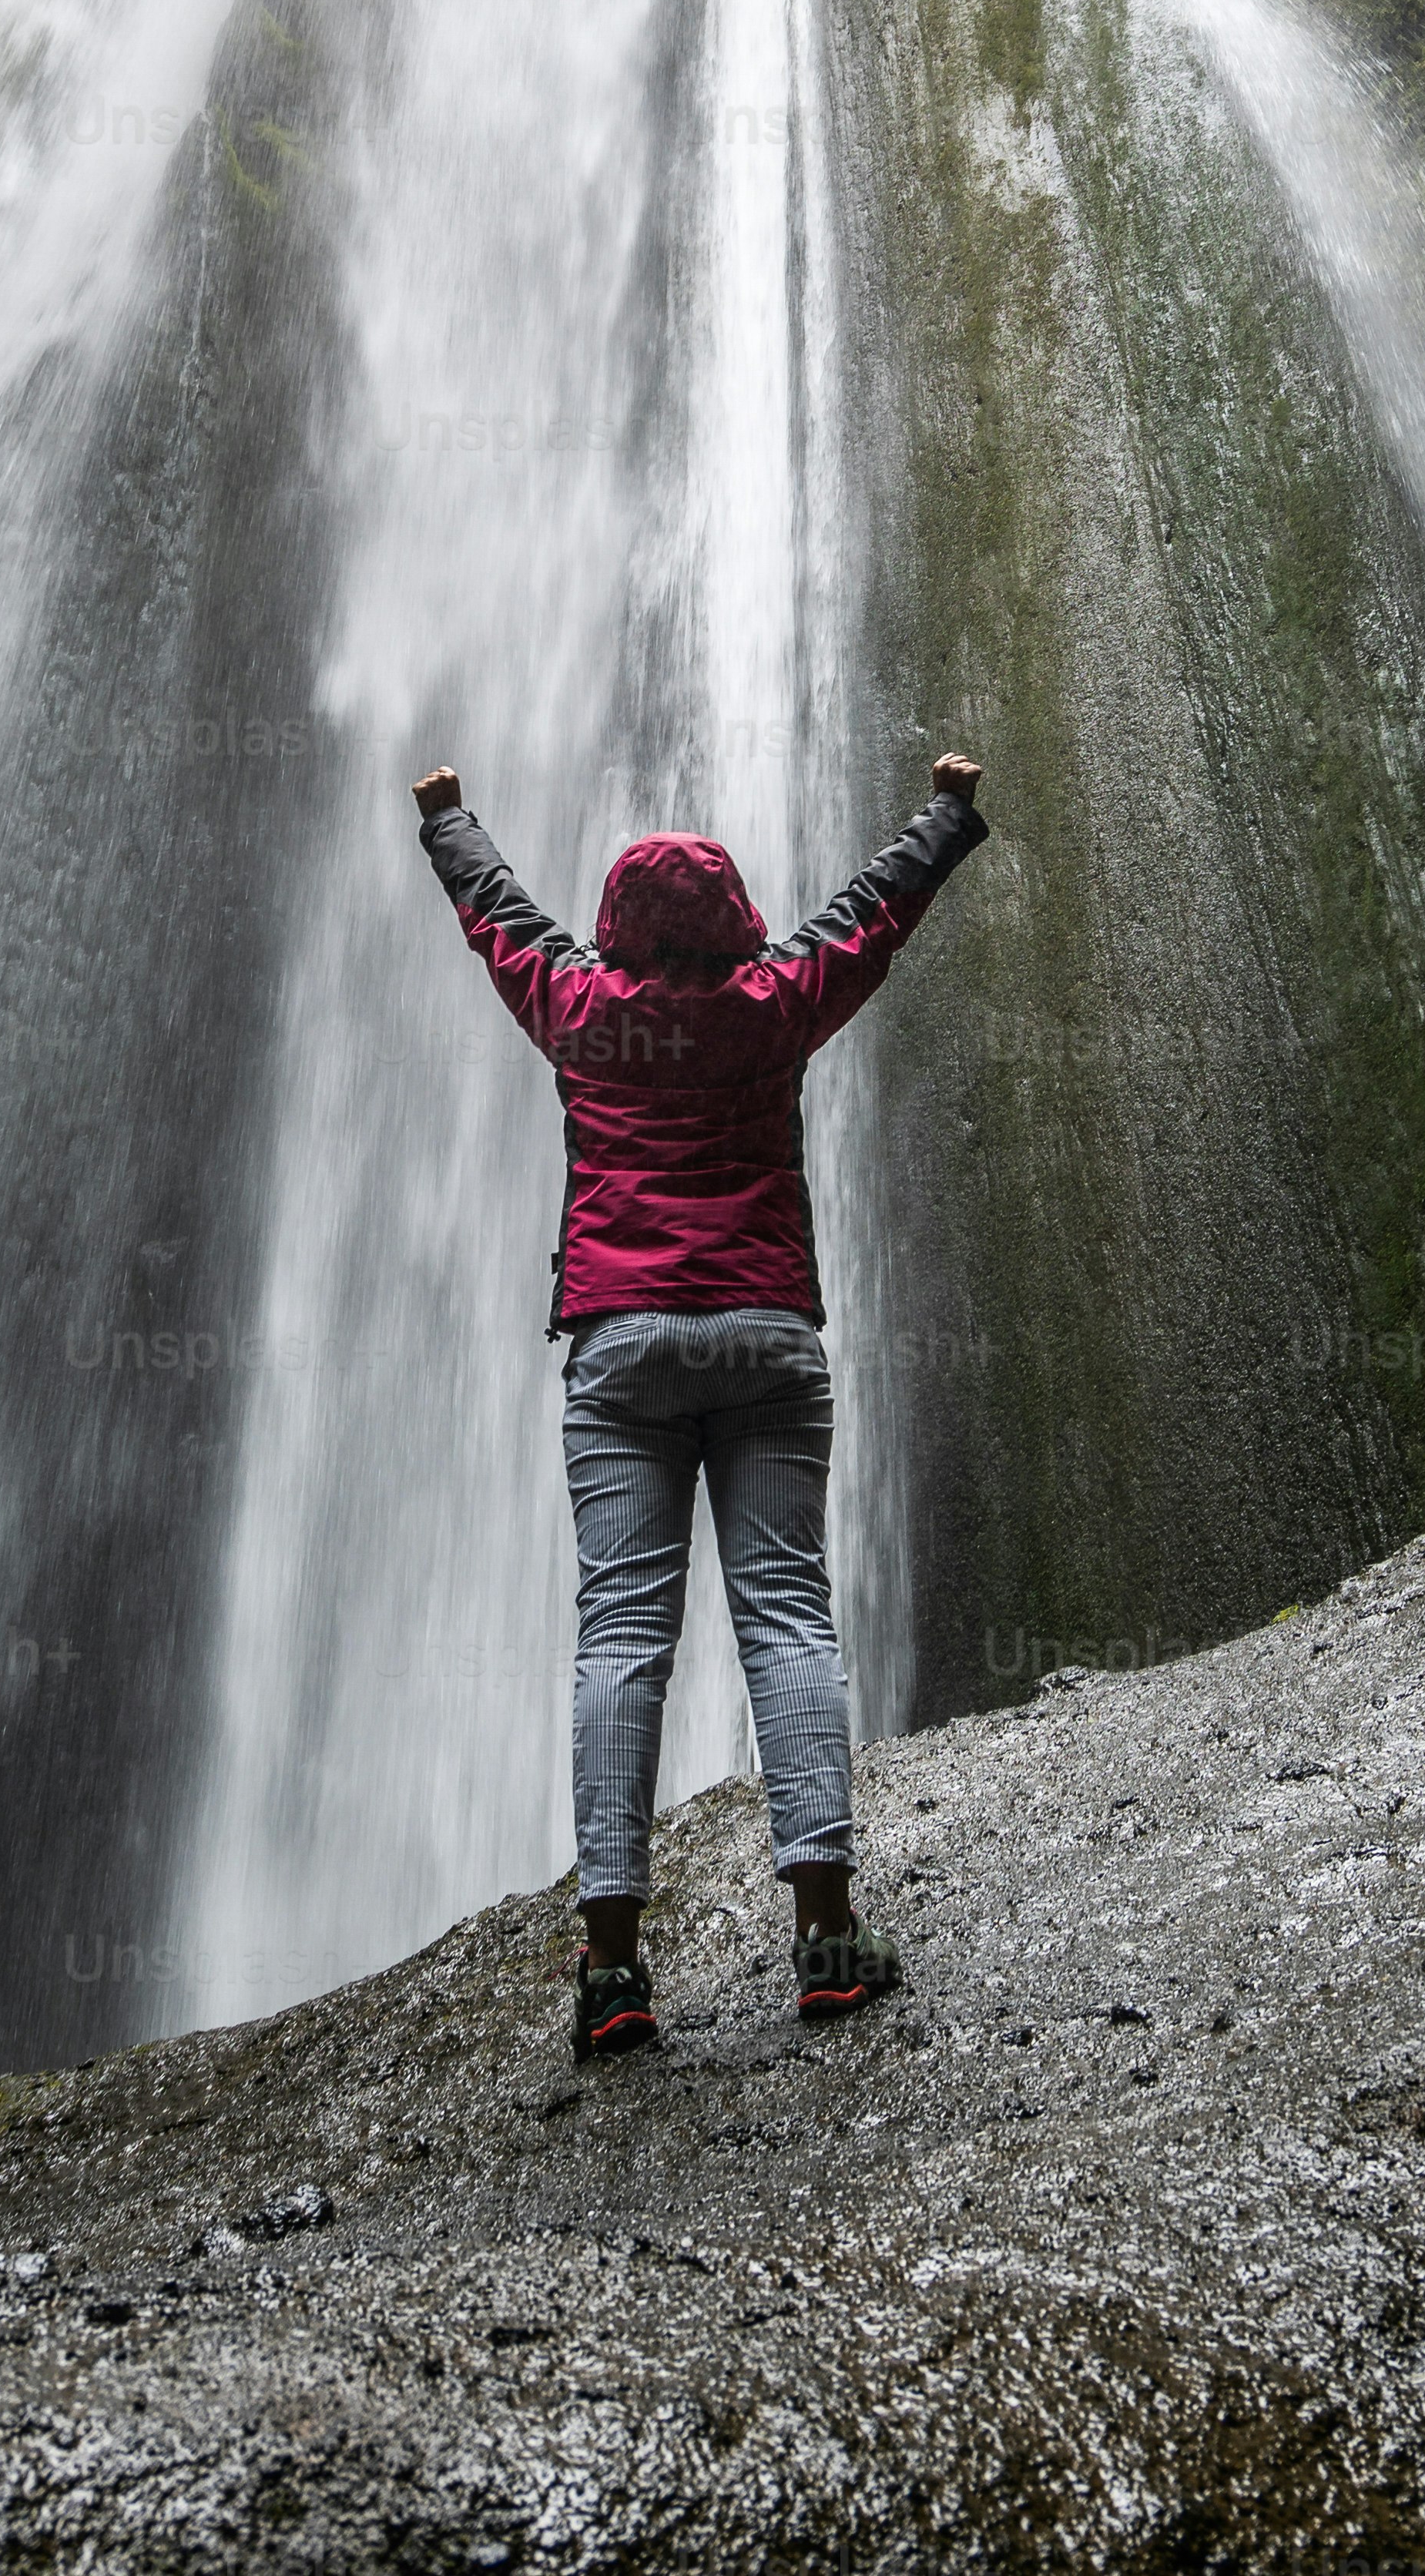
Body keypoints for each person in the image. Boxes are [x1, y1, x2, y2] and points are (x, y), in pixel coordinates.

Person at [413, 750, 988, 2061]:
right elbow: (874, 911)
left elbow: (501, 916)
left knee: (621, 1636)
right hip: (767, 1336)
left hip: (622, 1348)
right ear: (734, 921)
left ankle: (612, 1970)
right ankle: (827, 1938)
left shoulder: (577, 1005)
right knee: (786, 1617)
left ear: (614, 926)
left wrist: (446, 821)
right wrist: (945, 814)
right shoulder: (776, 998)